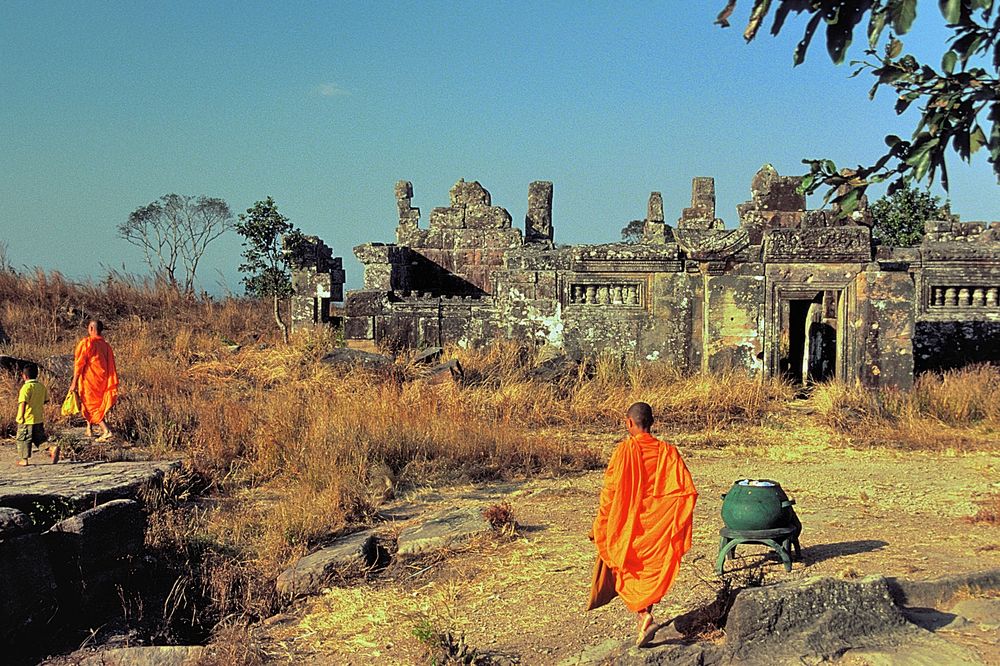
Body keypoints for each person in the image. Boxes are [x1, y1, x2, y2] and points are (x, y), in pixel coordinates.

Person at [590, 401, 698, 647]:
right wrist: (673, 518)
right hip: (657, 525)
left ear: (629, 423)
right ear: (652, 423)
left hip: (628, 525)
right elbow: (684, 492)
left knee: (628, 567)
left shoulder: (623, 451)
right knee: (650, 567)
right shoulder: (669, 452)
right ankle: (645, 614)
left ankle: (643, 615)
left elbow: (610, 493)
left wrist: (601, 523)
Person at [69, 320, 118, 441]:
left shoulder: (87, 343)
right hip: (102, 380)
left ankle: (106, 430)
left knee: (91, 406)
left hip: (89, 381)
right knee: (91, 403)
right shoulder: (106, 346)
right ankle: (89, 428)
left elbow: (79, 365)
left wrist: (74, 382)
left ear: (91, 328)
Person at [15, 364, 55, 465]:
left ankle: (24, 459)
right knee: (39, 439)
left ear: (24, 376)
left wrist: (21, 417)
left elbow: (23, 403)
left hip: (27, 418)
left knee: (23, 439)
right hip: (38, 418)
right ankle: (51, 448)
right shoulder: (41, 387)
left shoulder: (26, 388)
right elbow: (46, 400)